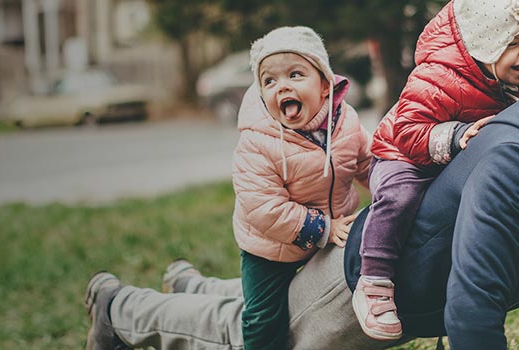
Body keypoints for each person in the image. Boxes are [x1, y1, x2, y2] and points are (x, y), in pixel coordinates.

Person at [82, 44, 519, 350]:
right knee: (239, 336)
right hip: (360, 282)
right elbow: (473, 314)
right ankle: (118, 310)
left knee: (258, 303)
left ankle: (192, 283)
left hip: (403, 284)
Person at [83, 26, 372, 350]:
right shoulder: (258, 142)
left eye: (295, 74)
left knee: (295, 295)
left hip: (326, 233)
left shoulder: (345, 122)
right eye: (269, 81)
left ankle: (190, 287)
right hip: (270, 247)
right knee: (264, 318)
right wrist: (323, 227)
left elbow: (364, 162)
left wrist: (387, 180)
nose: (282, 86)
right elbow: (263, 209)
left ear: (324, 84)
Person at [354, 0, 519, 339]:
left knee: (505, 192)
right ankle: (374, 279)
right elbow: (407, 131)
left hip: (458, 156)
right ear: (481, 44)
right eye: (513, 43)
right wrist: (457, 135)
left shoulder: (514, 82)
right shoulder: (435, 77)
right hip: (402, 155)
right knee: (400, 196)